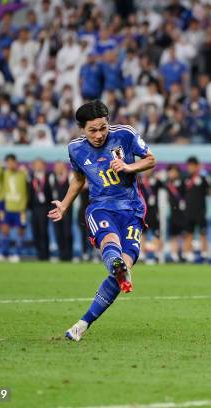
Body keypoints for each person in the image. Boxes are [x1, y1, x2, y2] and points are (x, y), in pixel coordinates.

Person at [48, 100, 156, 341]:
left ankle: (82, 324)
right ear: (82, 129)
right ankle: (117, 264)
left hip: (132, 210)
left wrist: (128, 167)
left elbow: (150, 159)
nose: (99, 135)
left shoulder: (126, 134)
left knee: (123, 268)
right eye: (92, 130)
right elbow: (78, 180)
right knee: (111, 243)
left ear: (109, 123)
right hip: (101, 207)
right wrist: (64, 205)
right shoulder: (76, 149)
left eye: (103, 128)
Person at [1, 154, 28, 263]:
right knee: (5, 231)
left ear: (16, 163)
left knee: (20, 231)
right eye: (8, 162)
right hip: (8, 208)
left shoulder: (23, 173)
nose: (11, 164)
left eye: (12, 162)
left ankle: (17, 253)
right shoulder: (4, 174)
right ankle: (4, 253)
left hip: (20, 209)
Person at [183, 156, 209, 262]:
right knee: (189, 233)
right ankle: (188, 254)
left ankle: (204, 254)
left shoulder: (203, 179)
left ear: (197, 166)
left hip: (200, 211)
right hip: (189, 211)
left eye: (193, 166)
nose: (190, 168)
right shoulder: (185, 179)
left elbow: (209, 190)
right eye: (189, 166)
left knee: (203, 233)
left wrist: (203, 174)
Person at [29, 158, 53, 261]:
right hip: (34, 207)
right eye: (36, 165)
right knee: (35, 231)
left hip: (45, 207)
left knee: (43, 231)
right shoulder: (30, 177)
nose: (38, 167)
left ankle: (45, 254)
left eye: (40, 165)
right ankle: (39, 253)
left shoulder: (49, 177)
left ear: (44, 166)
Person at [51, 161, 73, 261]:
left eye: (59, 167)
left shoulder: (70, 177)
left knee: (67, 232)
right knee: (58, 231)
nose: (57, 169)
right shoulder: (52, 178)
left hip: (67, 209)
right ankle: (61, 254)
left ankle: (69, 254)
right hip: (56, 209)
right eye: (56, 167)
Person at [140, 168, 162, 263]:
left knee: (156, 233)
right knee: (142, 233)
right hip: (143, 211)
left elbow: (164, 186)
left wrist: (160, 178)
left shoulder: (156, 180)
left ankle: (156, 254)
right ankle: (141, 255)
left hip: (154, 212)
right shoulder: (139, 180)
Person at [164, 164, 186, 263]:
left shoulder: (182, 182)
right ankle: (174, 254)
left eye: (174, 171)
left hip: (182, 212)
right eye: (170, 171)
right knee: (173, 234)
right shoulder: (165, 184)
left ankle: (184, 253)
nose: (172, 174)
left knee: (182, 234)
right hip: (171, 212)